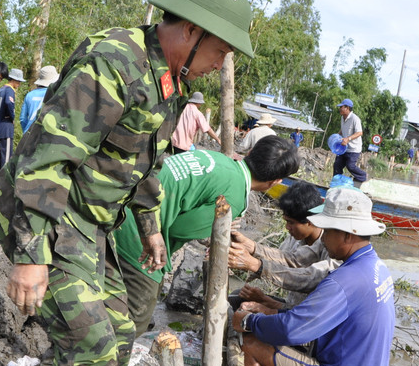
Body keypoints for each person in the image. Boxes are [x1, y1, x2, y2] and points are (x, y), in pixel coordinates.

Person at [0, 0, 255, 366]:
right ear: (190, 31)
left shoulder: (170, 82)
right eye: (219, 50)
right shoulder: (116, 63)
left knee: (122, 333)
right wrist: (28, 255)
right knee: (93, 353)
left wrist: (150, 227)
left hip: (90, 227)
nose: (220, 64)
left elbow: (141, 162)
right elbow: (46, 157)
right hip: (45, 218)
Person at [233, 186, 394, 366]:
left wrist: (249, 321)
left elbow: (293, 330)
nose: (324, 238)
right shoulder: (377, 267)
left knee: (251, 342)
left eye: (328, 231)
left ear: (348, 233)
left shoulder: (344, 279)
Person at [115, 135, 300, 335]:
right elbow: (181, 229)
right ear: (275, 182)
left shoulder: (218, 158)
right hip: (138, 237)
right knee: (132, 324)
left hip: (121, 211)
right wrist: (216, 237)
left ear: (249, 153)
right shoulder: (234, 197)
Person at [228, 181, 335, 311]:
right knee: (237, 298)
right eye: (286, 221)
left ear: (310, 222)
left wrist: (256, 265)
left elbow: (307, 277)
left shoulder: (331, 247)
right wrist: (249, 247)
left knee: (249, 317)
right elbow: (284, 261)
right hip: (291, 305)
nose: (287, 227)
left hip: (307, 314)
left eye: (291, 223)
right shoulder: (295, 239)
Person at [0, 68, 22, 173]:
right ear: (14, 80)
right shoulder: (9, 90)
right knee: (6, 157)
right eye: (19, 81)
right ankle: (4, 180)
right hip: (6, 126)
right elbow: (9, 103)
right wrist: (12, 116)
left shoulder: (1, 89)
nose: (19, 84)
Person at [333, 99, 367, 184]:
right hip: (344, 148)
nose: (340, 108)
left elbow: (360, 132)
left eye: (341, 107)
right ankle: (337, 184)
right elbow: (343, 129)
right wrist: (337, 135)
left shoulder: (355, 118)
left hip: (354, 148)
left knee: (350, 166)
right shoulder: (342, 118)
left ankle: (363, 176)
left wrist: (348, 139)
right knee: (337, 165)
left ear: (347, 108)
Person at [20, 65, 58, 133]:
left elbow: (23, 119)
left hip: (29, 134)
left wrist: (26, 131)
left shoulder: (29, 95)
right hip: (45, 134)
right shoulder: (54, 94)